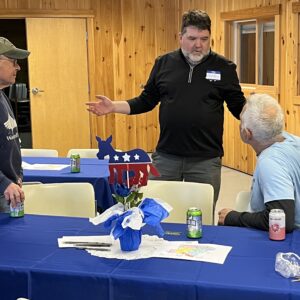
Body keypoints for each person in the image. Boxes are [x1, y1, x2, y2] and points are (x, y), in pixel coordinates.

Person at [86, 9, 245, 208]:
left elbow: (238, 106)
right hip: (167, 157)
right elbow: (146, 100)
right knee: (156, 213)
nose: (198, 45)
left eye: (204, 39)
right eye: (192, 38)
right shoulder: (164, 63)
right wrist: (113, 107)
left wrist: (259, 120)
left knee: (200, 217)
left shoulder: (224, 67)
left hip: (206, 160)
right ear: (180, 37)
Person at [218, 93, 300, 232]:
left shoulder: (270, 162)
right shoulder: (293, 140)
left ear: (247, 133)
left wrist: (233, 217)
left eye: (241, 122)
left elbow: (282, 220)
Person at [0, 37, 30, 212]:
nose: (18, 67)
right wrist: (4, 182)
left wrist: (17, 175)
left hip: (9, 190)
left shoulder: (3, 96)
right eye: (13, 61)